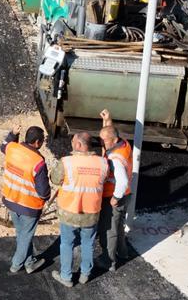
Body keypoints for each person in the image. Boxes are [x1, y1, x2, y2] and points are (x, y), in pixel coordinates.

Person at [49, 132, 109, 288]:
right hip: (91, 212)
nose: (71, 144)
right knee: (88, 243)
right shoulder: (102, 163)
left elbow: (55, 179)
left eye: (73, 141)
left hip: (70, 212)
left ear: (79, 145)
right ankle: (85, 274)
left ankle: (66, 276)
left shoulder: (67, 162)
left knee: (67, 244)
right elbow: (104, 180)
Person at [0, 125, 50, 275]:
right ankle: (16, 264)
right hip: (29, 206)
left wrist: (13, 134)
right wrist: (46, 197)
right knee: (26, 236)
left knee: (21, 234)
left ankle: (29, 263)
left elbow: (3, 146)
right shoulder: (38, 162)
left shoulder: (12, 148)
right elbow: (43, 192)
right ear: (37, 142)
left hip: (11, 199)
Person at [95, 110, 132, 272]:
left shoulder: (115, 159)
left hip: (114, 195)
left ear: (114, 140)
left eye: (104, 141)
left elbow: (122, 181)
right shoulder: (123, 144)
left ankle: (108, 260)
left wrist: (115, 198)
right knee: (118, 225)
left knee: (110, 229)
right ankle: (123, 252)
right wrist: (107, 120)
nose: (102, 143)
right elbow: (110, 132)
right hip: (126, 194)